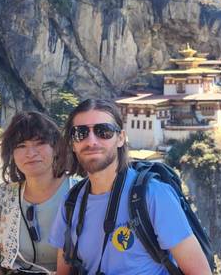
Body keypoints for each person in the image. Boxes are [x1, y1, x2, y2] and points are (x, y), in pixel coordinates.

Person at [50, 98, 212, 275]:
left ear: (120, 138)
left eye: (103, 131)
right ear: (73, 144)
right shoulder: (72, 202)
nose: (91, 141)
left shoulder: (153, 195)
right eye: (80, 133)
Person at [0, 111, 77, 274]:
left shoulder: (78, 192)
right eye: (21, 146)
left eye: (40, 143)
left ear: (56, 148)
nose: (30, 153)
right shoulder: (4, 195)